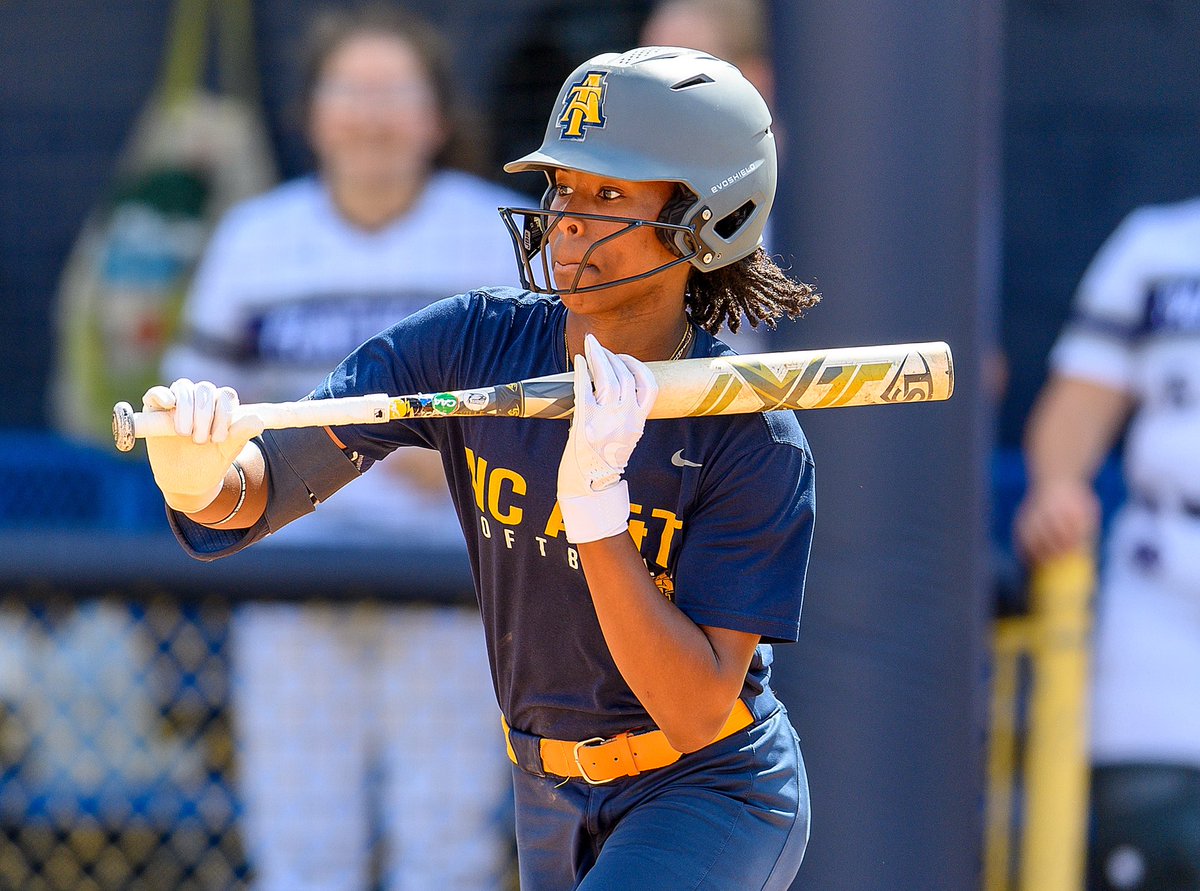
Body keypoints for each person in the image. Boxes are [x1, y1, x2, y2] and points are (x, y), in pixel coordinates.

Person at [142, 46, 820, 890]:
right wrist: (197, 474)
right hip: (547, 782)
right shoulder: (473, 345)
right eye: (562, 186)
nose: (568, 217)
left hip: (706, 787)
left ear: (707, 218)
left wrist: (597, 509)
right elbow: (260, 490)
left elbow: (692, 712)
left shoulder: (750, 438)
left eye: (609, 193)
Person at [159, 6, 526, 889]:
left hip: (454, 578)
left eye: (394, 94)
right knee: (301, 839)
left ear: (436, 118)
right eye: (350, 92)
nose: (370, 116)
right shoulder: (256, 238)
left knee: (446, 843)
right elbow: (186, 404)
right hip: (291, 571)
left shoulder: (496, 232)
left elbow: (559, 403)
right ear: (313, 115)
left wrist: (460, 460)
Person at [1013, 198, 1200, 890]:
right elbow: (1078, 405)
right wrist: (1055, 487)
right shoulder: (1160, 245)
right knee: (1154, 840)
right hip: (1168, 571)